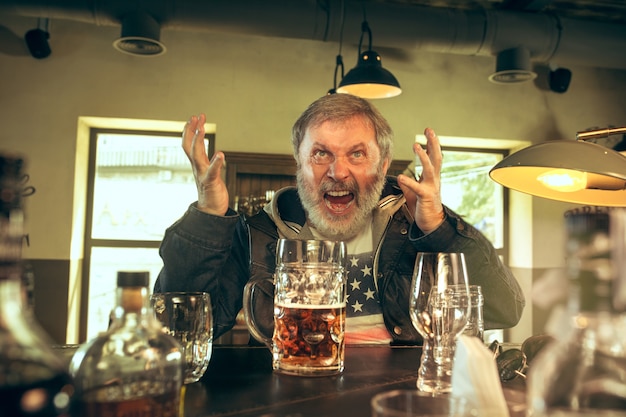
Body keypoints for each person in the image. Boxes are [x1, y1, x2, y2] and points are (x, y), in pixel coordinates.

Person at [155, 93, 525, 345]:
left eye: (357, 154)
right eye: (320, 154)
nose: (337, 172)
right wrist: (207, 212)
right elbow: (177, 330)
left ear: (383, 165)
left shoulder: (416, 223)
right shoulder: (258, 234)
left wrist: (438, 230)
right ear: (298, 164)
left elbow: (502, 310)